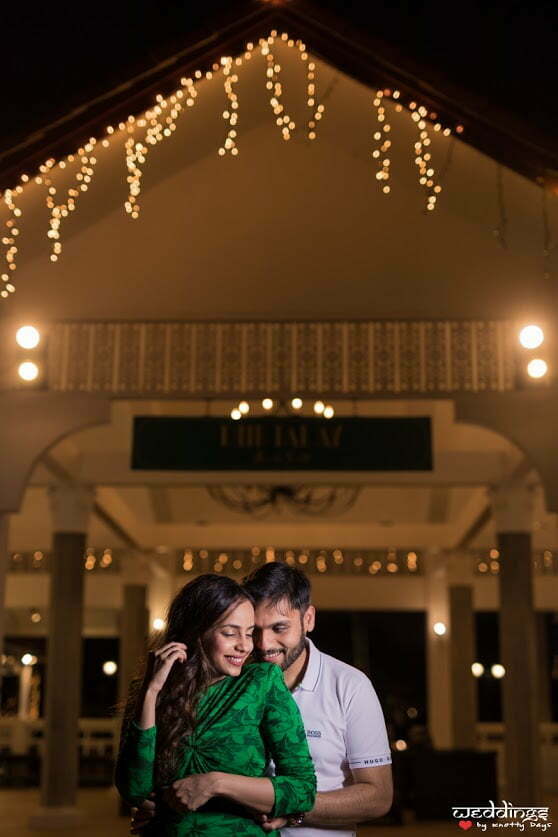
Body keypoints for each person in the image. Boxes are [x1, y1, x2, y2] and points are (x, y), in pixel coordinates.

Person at [115, 573, 316, 835]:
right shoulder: (154, 690)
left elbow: (303, 790)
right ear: (197, 631)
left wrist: (216, 783)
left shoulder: (261, 682)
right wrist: (151, 692)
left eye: (249, 633)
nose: (245, 646)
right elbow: (133, 789)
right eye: (230, 633)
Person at [243, 562, 393, 836]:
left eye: (279, 628)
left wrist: (292, 809)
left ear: (308, 619)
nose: (264, 644)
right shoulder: (232, 681)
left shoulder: (350, 686)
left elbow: (378, 797)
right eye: (254, 630)